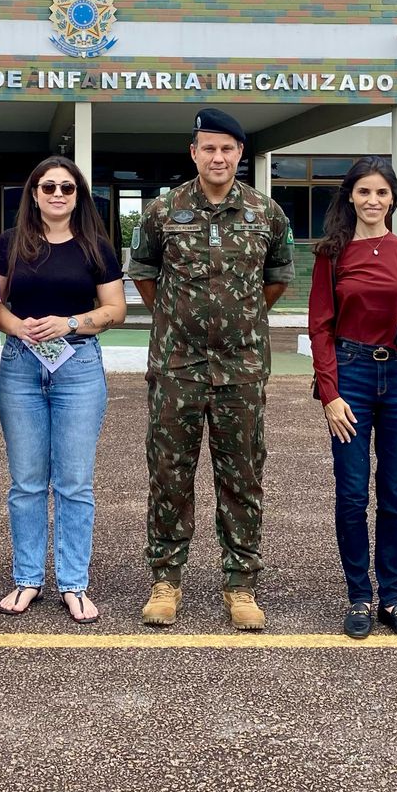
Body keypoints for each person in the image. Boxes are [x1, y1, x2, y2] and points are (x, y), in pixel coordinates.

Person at [127, 108, 294, 630]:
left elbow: (276, 279)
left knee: (242, 475)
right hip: (178, 366)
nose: (218, 157)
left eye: (227, 148)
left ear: (240, 154)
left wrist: (237, 321)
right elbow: (146, 275)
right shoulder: (162, 210)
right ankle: (166, 580)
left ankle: (240, 585)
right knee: (170, 473)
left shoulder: (267, 213)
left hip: (242, 367)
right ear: (193, 152)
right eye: (208, 148)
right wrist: (180, 323)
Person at [307, 156, 397, 641]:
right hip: (353, 377)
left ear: (392, 199)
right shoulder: (331, 254)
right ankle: (358, 596)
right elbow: (319, 326)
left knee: (395, 495)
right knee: (351, 492)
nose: (372, 200)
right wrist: (330, 393)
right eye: (364, 191)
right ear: (350, 198)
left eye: (381, 192)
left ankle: (391, 598)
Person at [0, 157, 126, 625]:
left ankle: (73, 584)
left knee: (74, 482)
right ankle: (27, 579)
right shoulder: (10, 245)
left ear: (78, 195)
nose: (57, 194)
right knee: (26, 481)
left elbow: (115, 309)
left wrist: (71, 322)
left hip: (79, 366)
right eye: (48, 186)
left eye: (66, 188)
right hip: (20, 366)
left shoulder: (96, 247)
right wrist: (19, 328)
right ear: (33, 192)